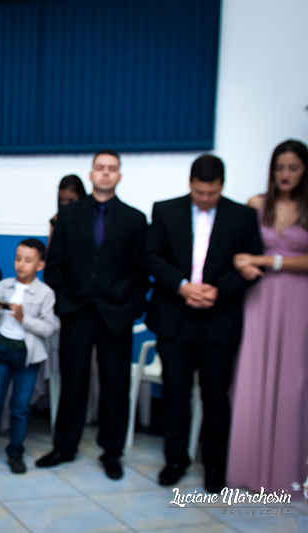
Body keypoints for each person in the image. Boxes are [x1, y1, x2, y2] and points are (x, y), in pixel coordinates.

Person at [145, 154, 263, 493]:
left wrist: (218, 291)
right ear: (190, 183)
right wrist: (182, 286)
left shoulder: (243, 216)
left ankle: (214, 466)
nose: (205, 199)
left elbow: (254, 266)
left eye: (211, 193)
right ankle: (175, 460)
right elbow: (151, 256)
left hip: (218, 319)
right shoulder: (166, 210)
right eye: (199, 192)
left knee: (215, 397)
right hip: (175, 318)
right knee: (175, 395)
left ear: (222, 186)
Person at [37, 149, 148, 480]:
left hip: (116, 313)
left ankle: (111, 452)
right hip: (77, 311)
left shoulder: (136, 218)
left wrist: (131, 307)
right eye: (100, 168)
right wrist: (65, 300)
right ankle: (64, 447)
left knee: (116, 384)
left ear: (119, 176)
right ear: (91, 173)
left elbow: (142, 270)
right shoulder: (69, 217)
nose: (105, 173)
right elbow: (54, 265)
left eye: (112, 169)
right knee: (73, 381)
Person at [227, 139, 308, 493]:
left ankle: (288, 471)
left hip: (299, 301)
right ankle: (249, 469)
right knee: (251, 376)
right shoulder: (256, 204)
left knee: (294, 381)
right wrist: (243, 262)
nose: (285, 174)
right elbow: (236, 250)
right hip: (259, 299)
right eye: (280, 167)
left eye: (293, 167)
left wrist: (267, 260)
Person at [0, 239, 59, 474]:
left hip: (26, 357)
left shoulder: (45, 293)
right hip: (1, 352)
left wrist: (24, 319)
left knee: (20, 408)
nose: (21, 264)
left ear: (40, 265)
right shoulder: (4, 285)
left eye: (28, 260)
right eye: (18, 258)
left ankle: (15, 452)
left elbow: (49, 327)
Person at [49, 174, 87, 241]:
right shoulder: (56, 220)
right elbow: (51, 249)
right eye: (62, 200)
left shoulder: (93, 218)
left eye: (71, 200)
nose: (66, 204)